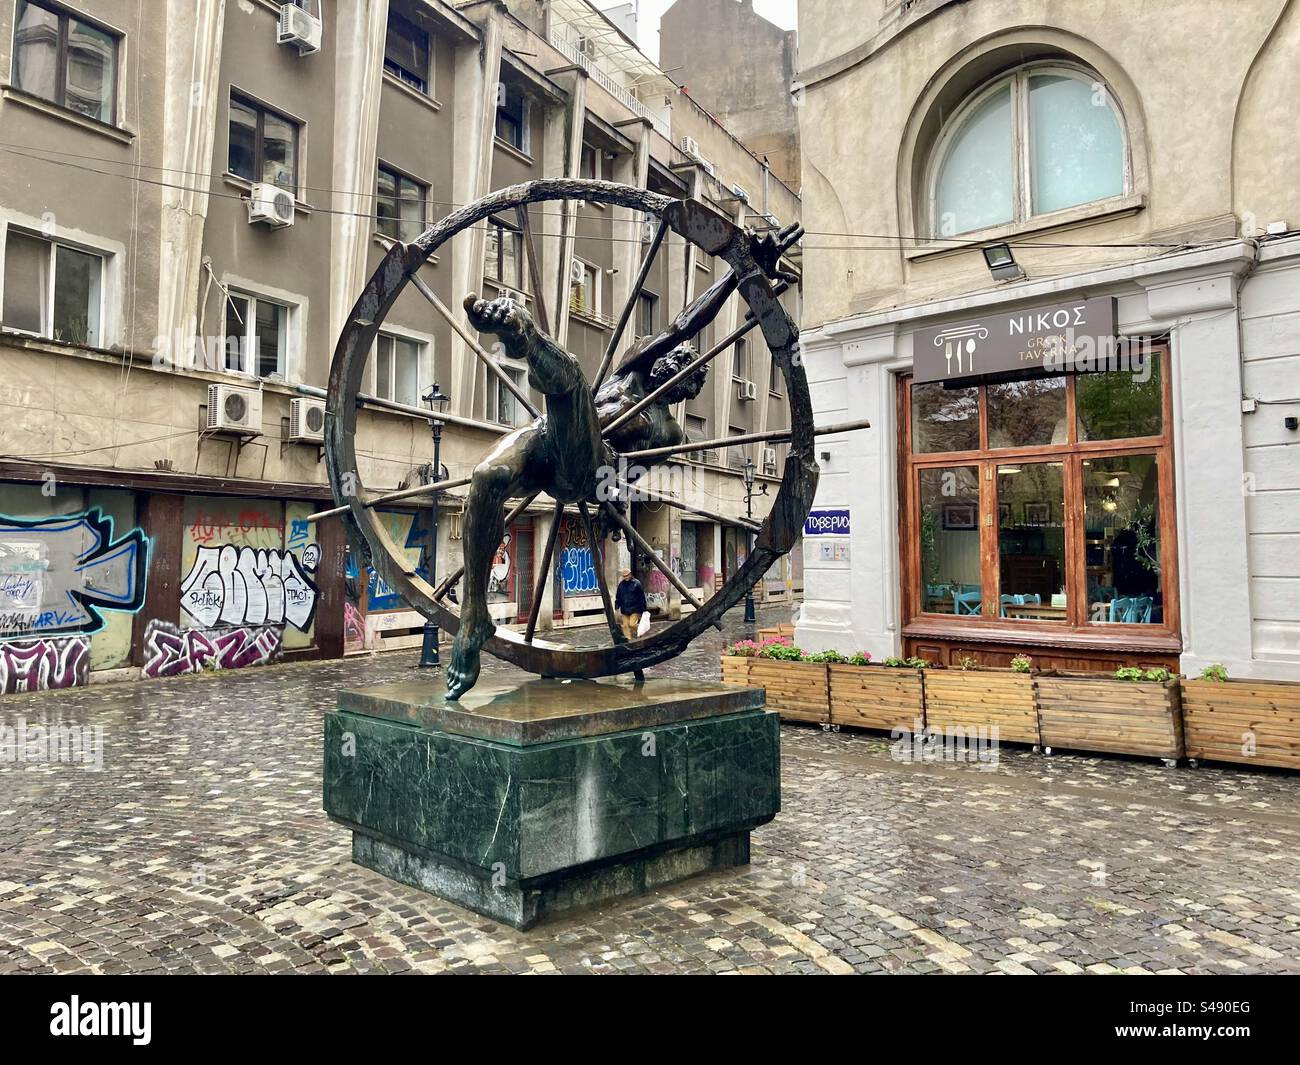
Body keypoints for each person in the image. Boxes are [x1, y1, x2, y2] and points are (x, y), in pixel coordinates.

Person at [443, 205, 802, 699]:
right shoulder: (632, 372)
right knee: (485, 479)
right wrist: (740, 274)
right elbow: (684, 322)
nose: (679, 373)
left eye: (689, 379)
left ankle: (522, 336)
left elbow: (627, 477)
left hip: (590, 465)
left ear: (684, 391)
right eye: (678, 365)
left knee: (568, 377)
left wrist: (611, 511)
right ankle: (475, 614)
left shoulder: (667, 432)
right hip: (549, 435)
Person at [615, 567, 647, 641]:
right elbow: (618, 596)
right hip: (624, 608)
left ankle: (639, 631)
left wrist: (644, 609)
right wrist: (617, 606)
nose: (625, 577)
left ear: (630, 574)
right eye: (624, 576)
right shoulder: (621, 585)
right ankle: (628, 639)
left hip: (635, 608)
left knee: (632, 624)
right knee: (625, 625)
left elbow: (641, 597)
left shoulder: (637, 583)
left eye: (627, 575)